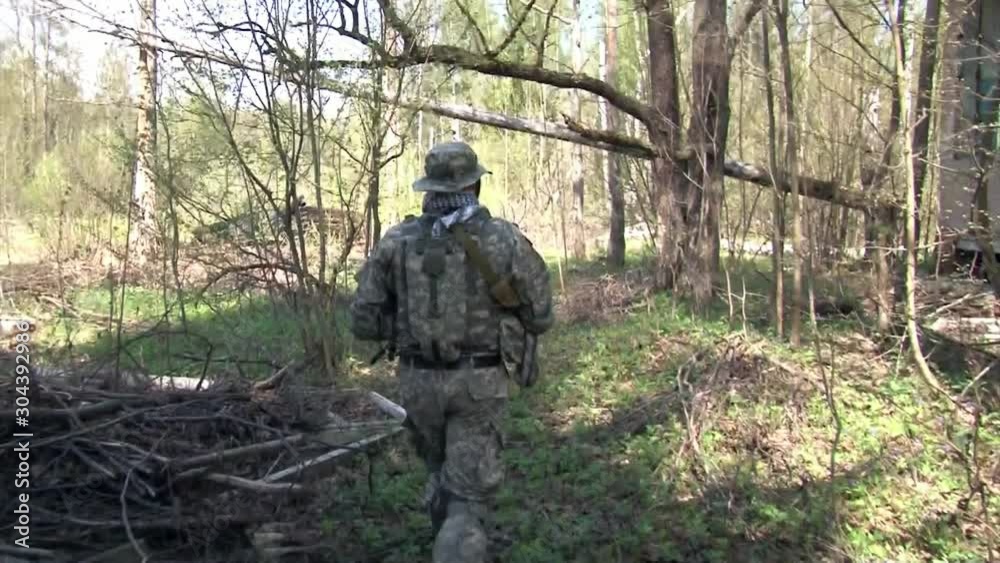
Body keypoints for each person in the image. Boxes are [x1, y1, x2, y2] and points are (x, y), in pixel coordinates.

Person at [349, 141, 554, 562]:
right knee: (466, 497)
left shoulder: (396, 241)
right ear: (475, 186)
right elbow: (541, 314)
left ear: (429, 189)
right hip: (478, 384)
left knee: (441, 474)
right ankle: (456, 546)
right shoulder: (504, 240)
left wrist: (406, 324)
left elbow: (363, 321)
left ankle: (447, 540)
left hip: (417, 383)